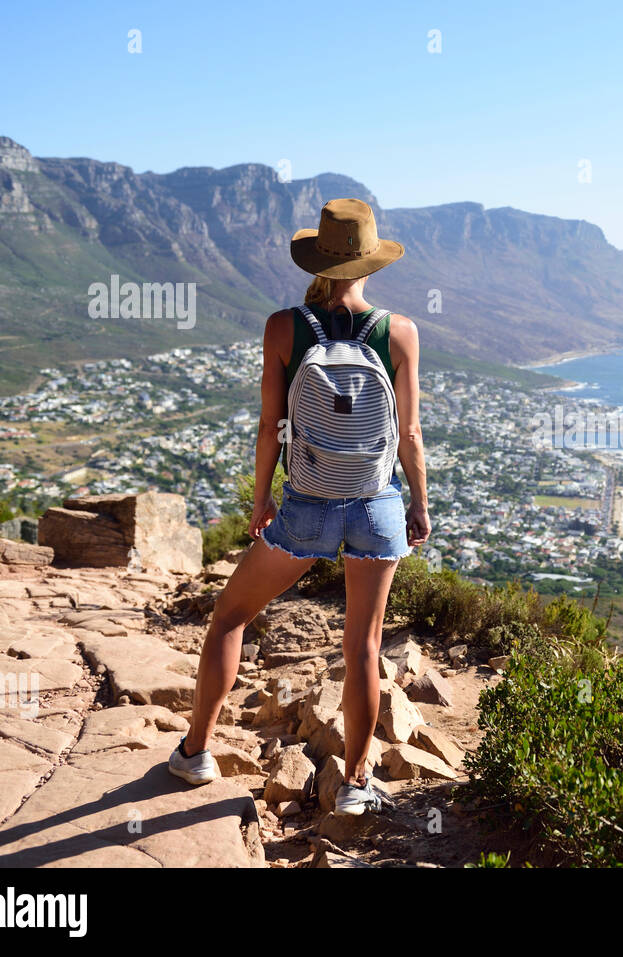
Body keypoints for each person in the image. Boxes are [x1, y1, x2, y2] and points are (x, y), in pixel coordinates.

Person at [168, 198, 431, 816]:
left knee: (231, 617)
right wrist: (418, 503)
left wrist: (261, 500)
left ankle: (196, 752)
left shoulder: (283, 326)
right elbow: (412, 434)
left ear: (317, 260)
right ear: (371, 262)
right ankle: (356, 784)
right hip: (375, 503)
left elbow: (269, 427)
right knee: (362, 648)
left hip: (306, 504)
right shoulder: (400, 331)